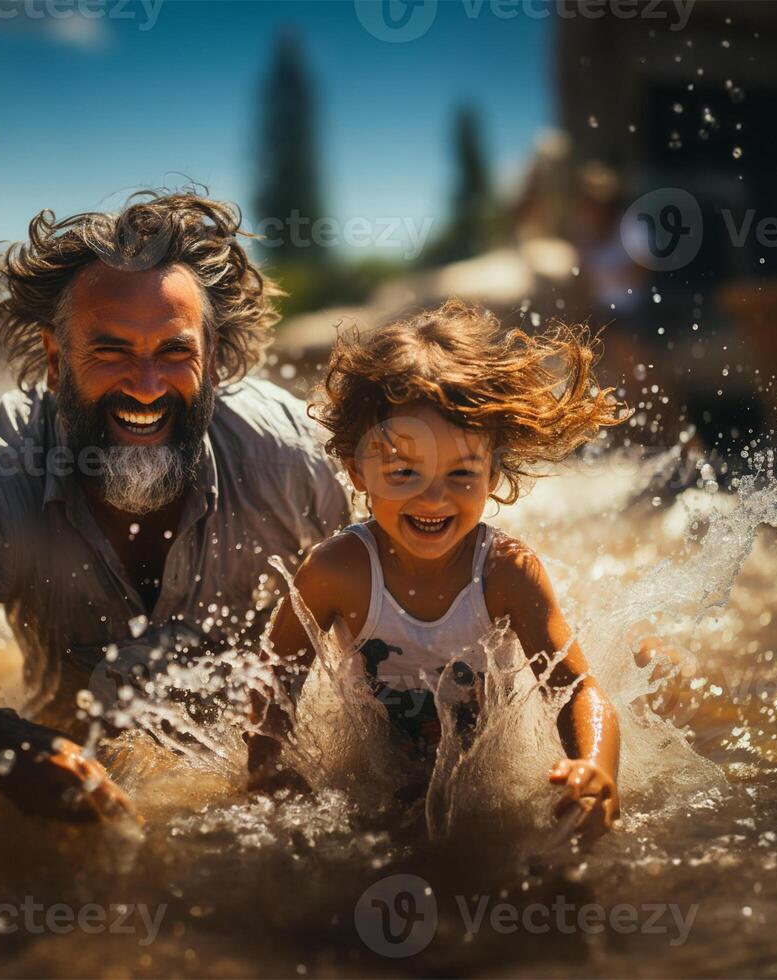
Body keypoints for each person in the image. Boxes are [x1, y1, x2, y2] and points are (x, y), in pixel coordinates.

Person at [0, 192, 349, 822]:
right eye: (111, 351)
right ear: (53, 359)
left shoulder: (293, 462)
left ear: (212, 363)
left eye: (175, 352)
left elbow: (407, 594)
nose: (146, 386)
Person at [245, 299, 625, 834]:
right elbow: (275, 675)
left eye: (461, 473)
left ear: (492, 473)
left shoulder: (506, 573)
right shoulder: (338, 570)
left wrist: (596, 769)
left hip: (480, 770)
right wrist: (267, 766)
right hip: (377, 766)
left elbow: (578, 688)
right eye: (403, 471)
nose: (433, 499)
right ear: (357, 470)